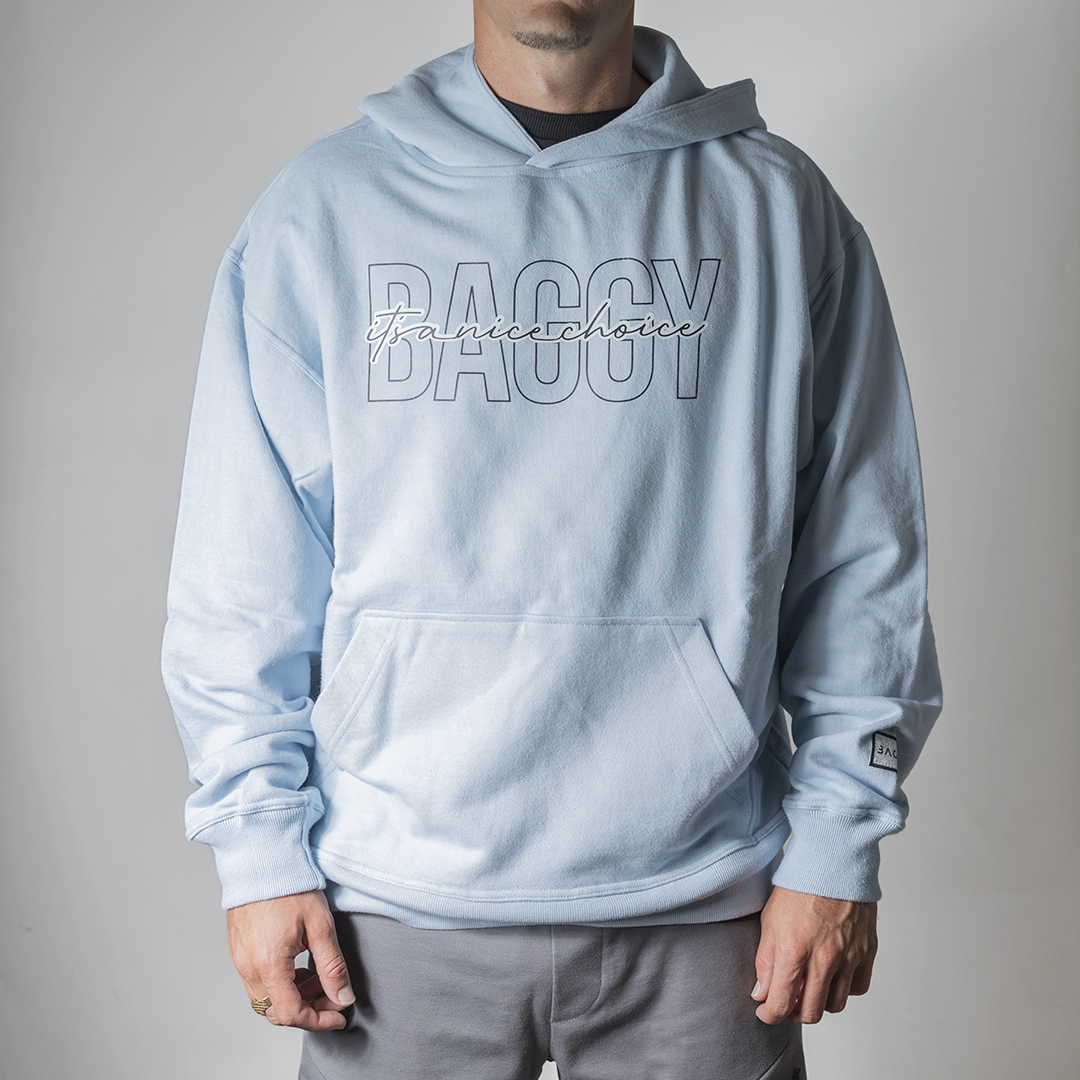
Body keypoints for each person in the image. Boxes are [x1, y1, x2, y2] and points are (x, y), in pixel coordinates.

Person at [163, 0, 942, 1075]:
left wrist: (840, 843)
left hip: (707, 912)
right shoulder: (323, 211)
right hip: (393, 914)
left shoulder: (777, 208)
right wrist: (257, 849)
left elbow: (865, 557)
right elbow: (240, 571)